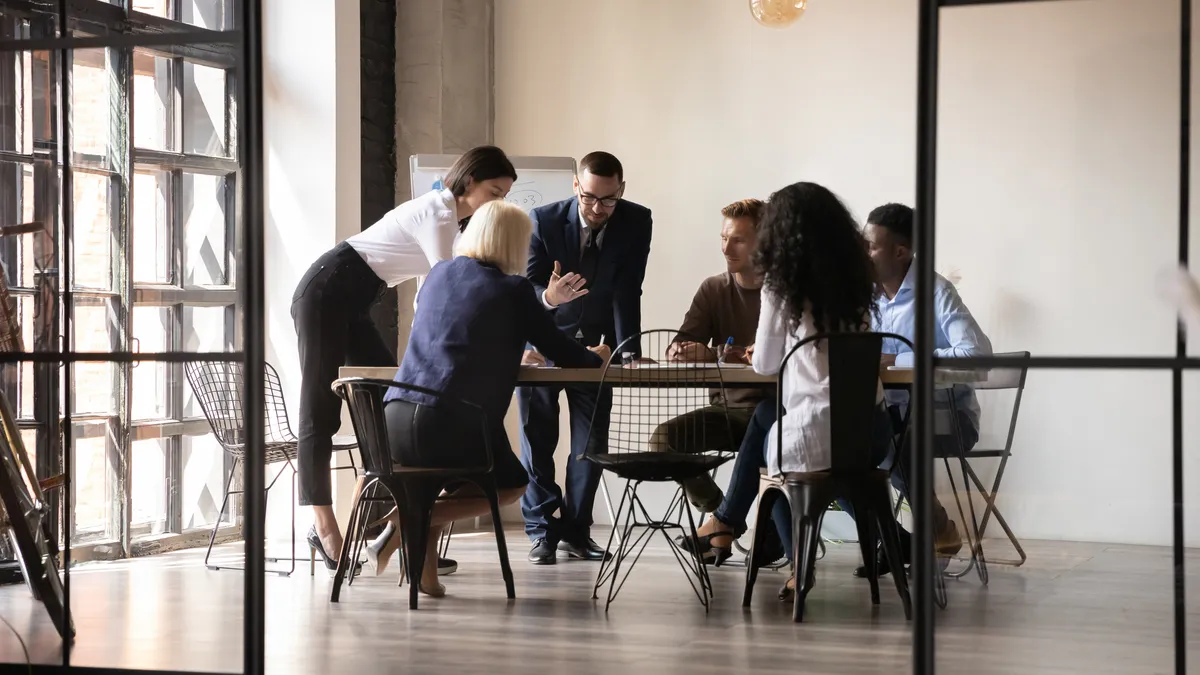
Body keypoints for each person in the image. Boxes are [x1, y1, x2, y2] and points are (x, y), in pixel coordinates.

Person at [365, 200, 610, 597]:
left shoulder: (439, 274)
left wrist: (509, 350)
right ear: (514, 244)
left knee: (441, 483)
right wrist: (595, 357)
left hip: (393, 417)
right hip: (449, 418)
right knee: (511, 484)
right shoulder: (513, 289)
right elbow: (559, 350)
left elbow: (458, 335)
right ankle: (405, 521)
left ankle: (425, 577)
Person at [291, 146, 517, 571]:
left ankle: (397, 533)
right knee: (321, 408)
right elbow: (442, 287)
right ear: (468, 182)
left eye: (505, 195)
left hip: (355, 299)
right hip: (325, 292)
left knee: (385, 404)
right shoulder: (439, 212)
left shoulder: (457, 220)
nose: (500, 202)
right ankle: (324, 529)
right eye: (495, 191)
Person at [680, 182, 898, 600]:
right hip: (871, 432)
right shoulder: (857, 279)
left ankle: (787, 558)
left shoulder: (782, 286)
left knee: (773, 468)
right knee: (766, 420)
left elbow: (764, 363)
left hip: (818, 433)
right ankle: (728, 526)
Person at [517, 151, 653, 565]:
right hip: (542, 345)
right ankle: (542, 532)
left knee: (589, 445)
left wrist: (627, 349)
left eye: (608, 200)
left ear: (621, 191)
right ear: (576, 186)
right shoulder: (542, 219)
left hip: (597, 349)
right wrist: (548, 298)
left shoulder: (637, 220)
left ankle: (577, 531)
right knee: (538, 442)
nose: (598, 209)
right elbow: (526, 287)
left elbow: (629, 288)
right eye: (590, 198)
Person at [856, 202, 994, 577]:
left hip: (950, 419)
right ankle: (898, 538)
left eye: (870, 246)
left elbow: (977, 354)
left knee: (894, 442)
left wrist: (900, 360)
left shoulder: (935, 291)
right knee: (841, 447)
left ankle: (935, 533)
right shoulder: (864, 297)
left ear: (900, 252)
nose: (862, 253)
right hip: (890, 416)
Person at [649, 198, 766, 513]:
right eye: (724, 238)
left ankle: (743, 530)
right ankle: (719, 515)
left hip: (776, 413)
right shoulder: (713, 288)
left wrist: (714, 353)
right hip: (727, 412)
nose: (727, 248)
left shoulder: (784, 292)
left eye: (738, 240)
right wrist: (680, 351)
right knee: (663, 440)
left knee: (779, 451)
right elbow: (681, 345)